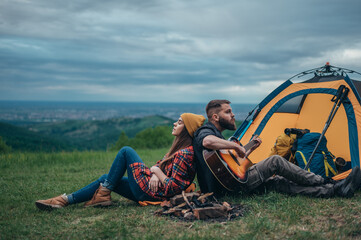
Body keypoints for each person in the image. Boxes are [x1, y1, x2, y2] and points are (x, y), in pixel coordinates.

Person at [193, 99, 361, 198]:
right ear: (215, 117)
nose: (233, 115)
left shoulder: (219, 137)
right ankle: (328, 181)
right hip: (228, 189)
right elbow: (207, 141)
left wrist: (248, 149)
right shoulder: (206, 131)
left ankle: (334, 190)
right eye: (228, 112)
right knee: (275, 161)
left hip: (231, 186)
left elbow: (233, 166)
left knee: (277, 183)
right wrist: (235, 147)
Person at [35, 113, 205, 210]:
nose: (174, 123)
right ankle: (64, 200)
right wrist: (155, 171)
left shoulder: (185, 153)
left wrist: (157, 172)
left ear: (187, 129)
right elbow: (160, 165)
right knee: (106, 178)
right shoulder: (178, 149)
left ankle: (103, 194)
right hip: (151, 188)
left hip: (153, 193)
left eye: (180, 122)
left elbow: (174, 187)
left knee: (126, 151)